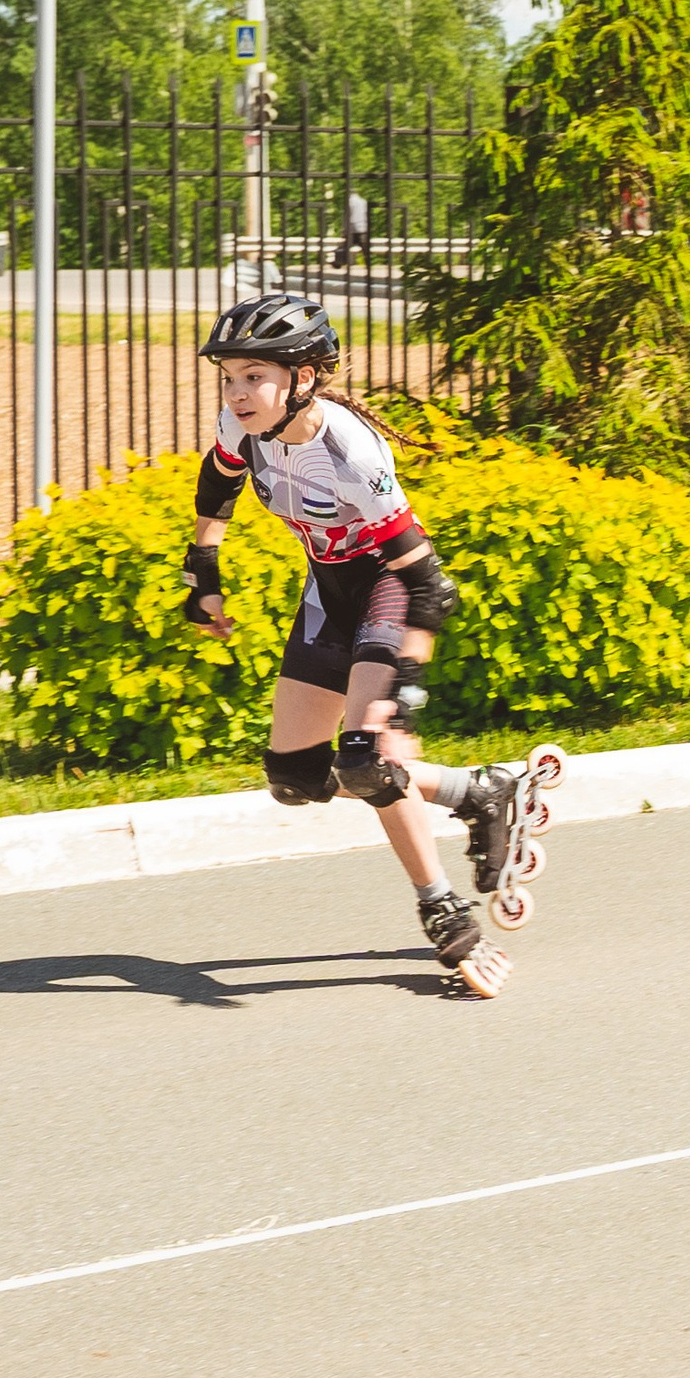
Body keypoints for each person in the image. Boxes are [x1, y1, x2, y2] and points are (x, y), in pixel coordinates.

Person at [183, 292, 526, 996]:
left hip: (388, 592)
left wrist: (402, 706)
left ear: (305, 375)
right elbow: (217, 484)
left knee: (367, 761)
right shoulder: (242, 426)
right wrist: (204, 571)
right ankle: (481, 792)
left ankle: (444, 910)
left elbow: (428, 584)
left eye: (256, 375)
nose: (239, 391)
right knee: (295, 777)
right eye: (230, 376)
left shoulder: (352, 452)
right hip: (328, 595)